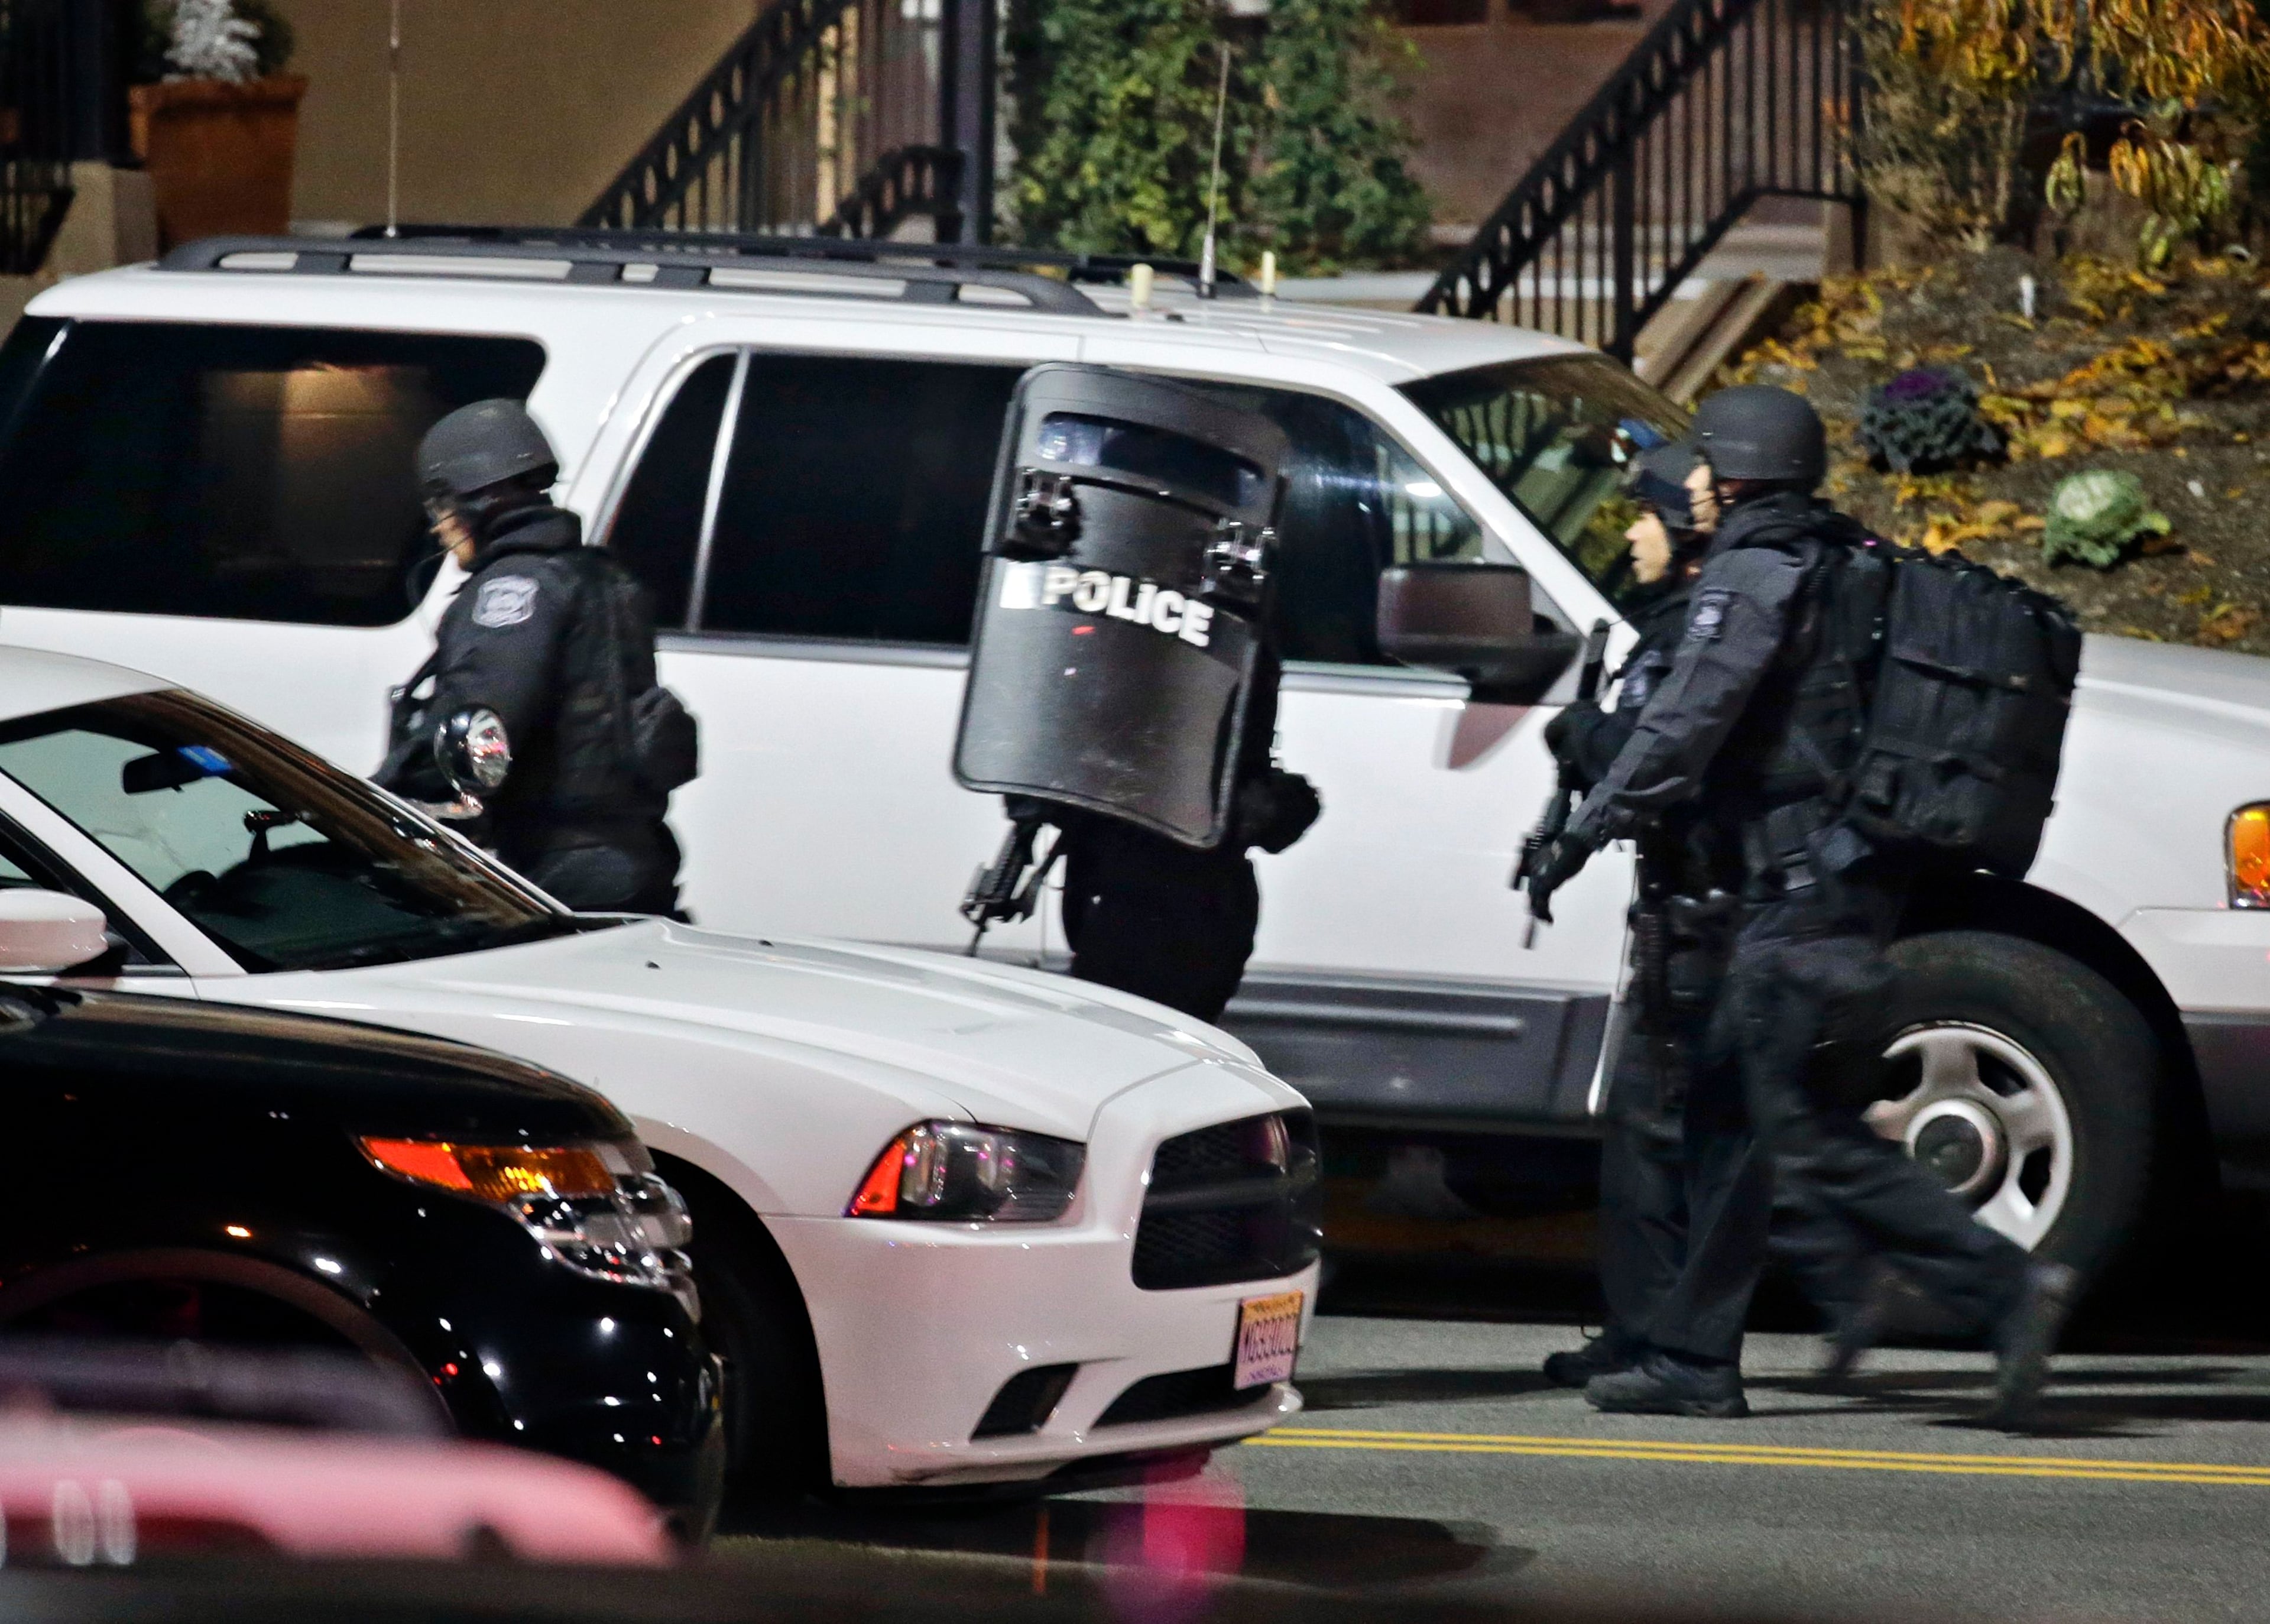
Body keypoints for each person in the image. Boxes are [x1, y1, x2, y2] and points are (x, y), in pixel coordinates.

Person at [1524, 385, 2076, 1429]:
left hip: (1800, 896)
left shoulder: (1755, 570)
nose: (1687, 478)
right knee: (1749, 1111)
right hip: (1821, 886)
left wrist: (1595, 814)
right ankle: (1693, 1336)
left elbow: (1688, 722)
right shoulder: (1834, 552)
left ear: (1733, 473)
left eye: (1702, 463)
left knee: (1768, 1121)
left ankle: (1975, 1287)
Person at [1536, 443, 1773, 1416]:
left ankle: (1685, 1349)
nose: (1628, 531)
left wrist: (1578, 734)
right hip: (1686, 910)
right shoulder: (1685, 624)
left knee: (1678, 1130)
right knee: (1645, 1129)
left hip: (1708, 915)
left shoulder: (1701, 633)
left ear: (1685, 531)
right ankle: (1641, 1330)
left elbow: (1658, 761)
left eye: (1644, 513)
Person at [381, 399, 686, 916]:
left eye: (439, 507)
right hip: (629, 854)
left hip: (555, 864)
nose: (437, 528)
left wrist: (372, 806)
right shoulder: (600, 578)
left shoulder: (515, 589)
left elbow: (477, 729)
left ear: (472, 502)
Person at [1048, 641, 1319, 1023]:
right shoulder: (1134, 638)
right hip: (1135, 871)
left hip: (1190, 884)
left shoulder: (1230, 641)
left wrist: (1256, 807)